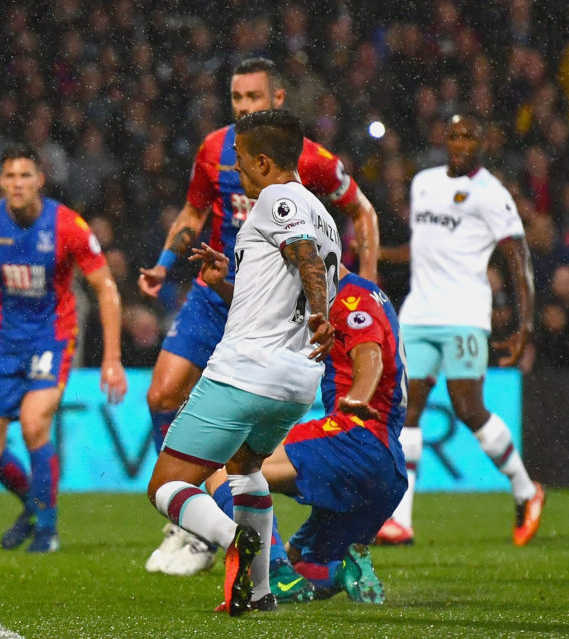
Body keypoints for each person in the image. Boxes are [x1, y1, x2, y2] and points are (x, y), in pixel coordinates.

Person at [138, 56, 381, 574]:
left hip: (264, 330)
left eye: (252, 98)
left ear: (276, 101)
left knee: (173, 482)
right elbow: (196, 211)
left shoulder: (299, 173)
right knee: (195, 423)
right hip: (239, 293)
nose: (242, 109)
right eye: (236, 99)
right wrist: (176, 266)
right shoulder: (215, 149)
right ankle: (262, 578)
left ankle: (215, 528)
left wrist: (353, 297)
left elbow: (326, 238)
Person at [146, 109, 341, 616]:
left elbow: (304, 257)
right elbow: (283, 287)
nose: (234, 170)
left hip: (247, 369)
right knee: (245, 469)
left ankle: (232, 538)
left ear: (263, 159)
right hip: (294, 382)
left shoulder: (278, 199)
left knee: (166, 484)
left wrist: (322, 316)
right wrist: (223, 282)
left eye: (239, 160)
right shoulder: (324, 216)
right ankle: (257, 592)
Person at [192, 241, 407, 605]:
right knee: (302, 566)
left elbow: (369, 354)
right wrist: (220, 286)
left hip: (353, 441)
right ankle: (340, 567)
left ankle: (272, 571)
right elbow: (268, 317)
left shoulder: (352, 300)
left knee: (223, 465)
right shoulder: (342, 294)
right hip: (387, 472)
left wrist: (359, 393)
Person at [0, 143, 127, 553]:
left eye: (25, 175)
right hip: (1, 345)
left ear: (40, 180)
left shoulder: (67, 225)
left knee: (33, 424)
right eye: (10, 176)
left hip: (52, 338)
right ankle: (34, 504)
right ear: (0, 181)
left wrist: (112, 358)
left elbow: (106, 288)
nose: (17, 183)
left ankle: (46, 530)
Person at [377, 113, 545, 547]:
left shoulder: (492, 194)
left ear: (482, 140)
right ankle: (401, 520)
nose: (460, 143)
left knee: (468, 408)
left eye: (469, 136)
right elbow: (424, 249)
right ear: (443, 137)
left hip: (466, 313)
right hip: (418, 314)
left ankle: (527, 491)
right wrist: (375, 255)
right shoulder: (424, 182)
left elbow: (518, 257)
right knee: (407, 410)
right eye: (453, 135)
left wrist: (526, 324)